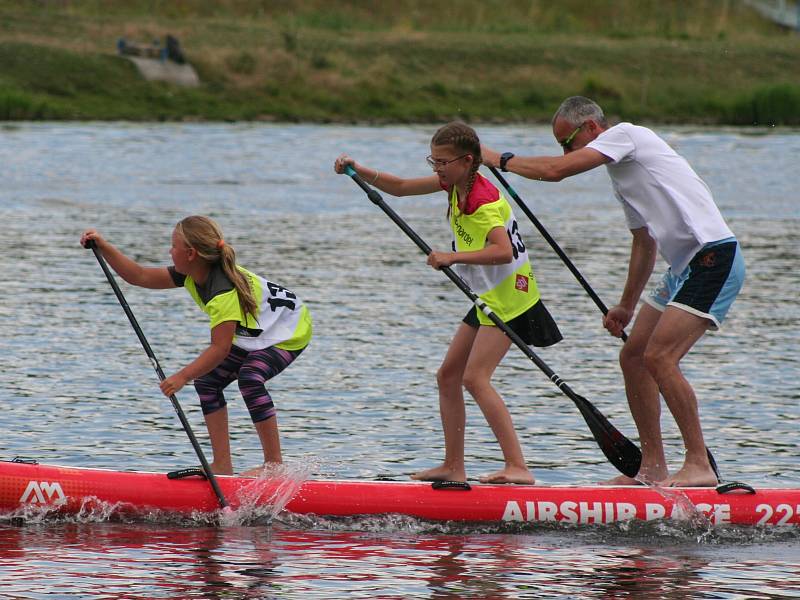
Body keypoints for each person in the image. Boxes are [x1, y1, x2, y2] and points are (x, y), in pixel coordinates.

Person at [483, 96, 745, 487]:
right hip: (683, 268)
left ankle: (698, 465)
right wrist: (625, 304)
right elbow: (645, 243)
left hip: (714, 257)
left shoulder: (628, 136)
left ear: (591, 128)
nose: (566, 151)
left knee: (660, 357)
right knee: (634, 356)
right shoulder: (623, 176)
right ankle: (652, 468)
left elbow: (556, 172)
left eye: (567, 141)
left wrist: (497, 158)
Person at [334, 122, 561, 484]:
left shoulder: (481, 202)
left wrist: (453, 258)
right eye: (433, 161)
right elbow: (402, 188)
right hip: (489, 295)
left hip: (510, 300)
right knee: (448, 376)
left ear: (467, 161)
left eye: (442, 162)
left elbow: (502, 252)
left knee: (475, 377)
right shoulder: (456, 183)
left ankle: (518, 467)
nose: (436, 168)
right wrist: (359, 170)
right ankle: (454, 466)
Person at [80, 216, 312, 477]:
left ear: (190, 253)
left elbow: (220, 348)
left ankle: (274, 467)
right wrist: (104, 246)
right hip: (255, 330)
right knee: (208, 382)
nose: (170, 251)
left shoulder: (222, 292)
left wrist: (182, 376)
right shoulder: (190, 274)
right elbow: (140, 275)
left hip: (289, 330)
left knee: (250, 379)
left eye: (173, 246)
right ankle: (222, 465)